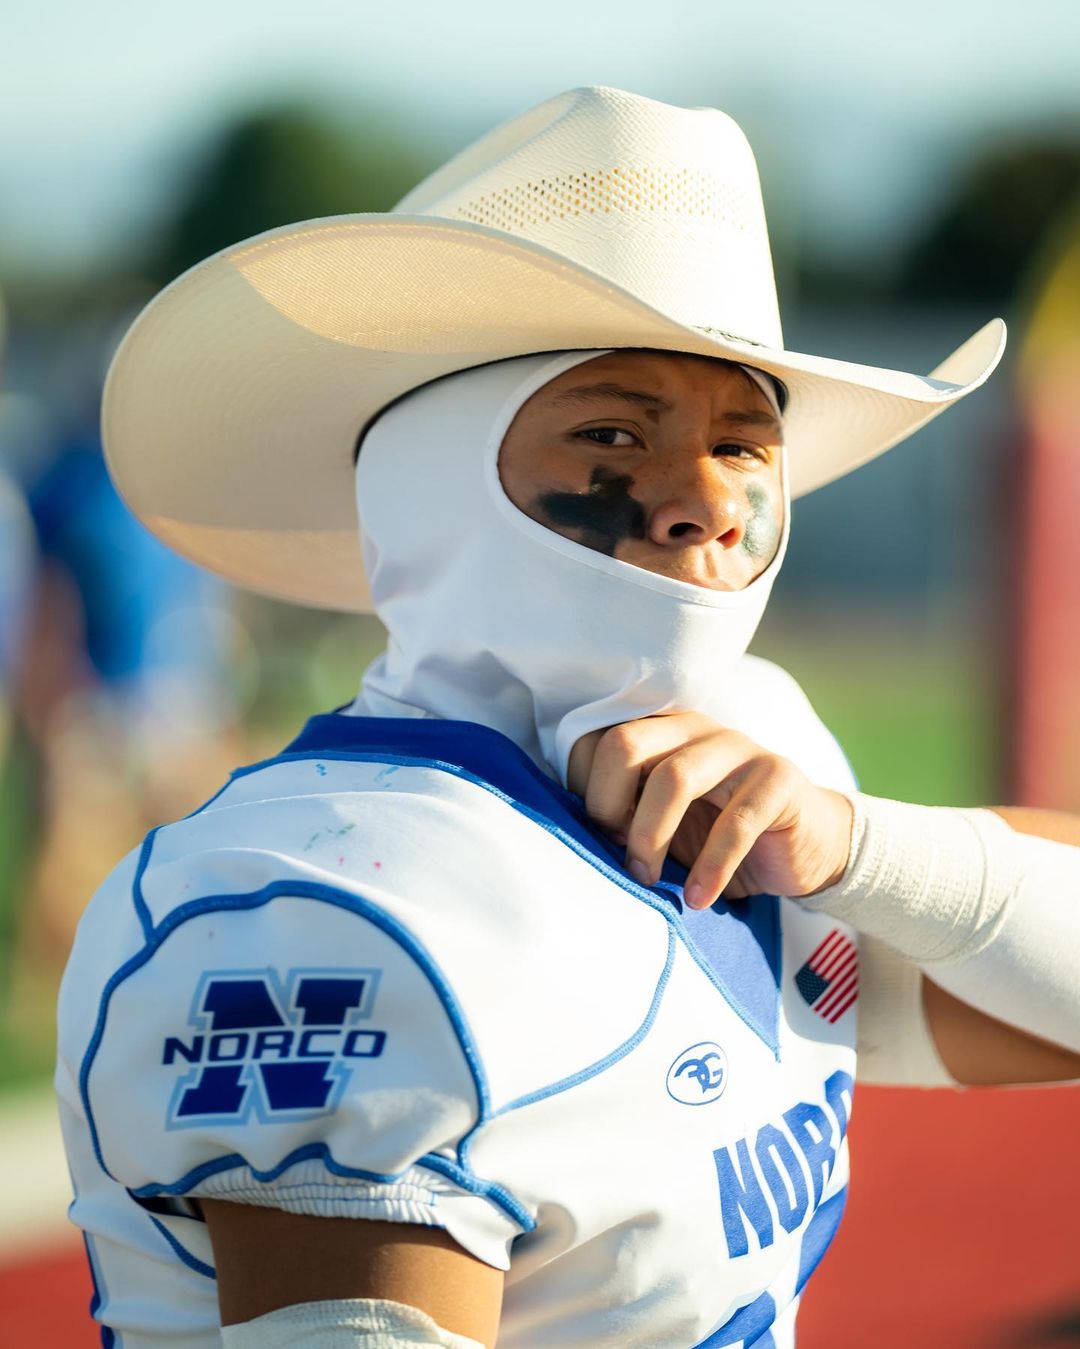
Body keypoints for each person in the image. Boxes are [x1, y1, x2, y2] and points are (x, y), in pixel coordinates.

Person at [56, 86, 1080, 1348]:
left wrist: (858, 847)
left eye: (744, 445)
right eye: (612, 431)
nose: (709, 502)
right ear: (431, 483)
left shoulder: (754, 766)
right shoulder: (321, 900)